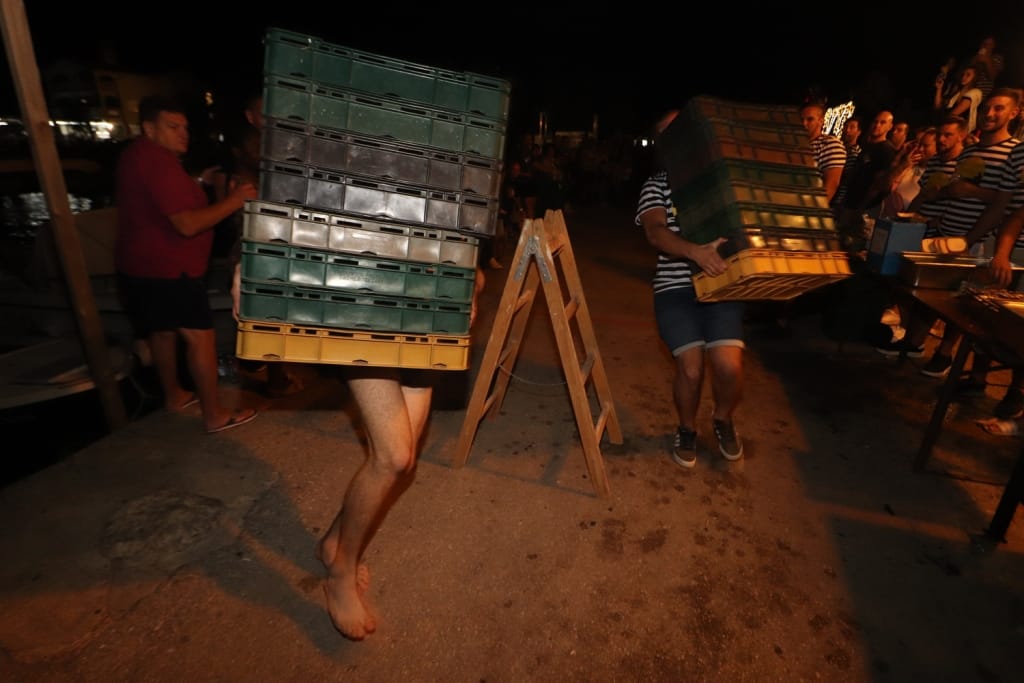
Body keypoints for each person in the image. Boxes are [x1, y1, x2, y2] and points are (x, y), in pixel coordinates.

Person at [308, 265, 485, 640]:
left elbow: (476, 248)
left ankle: (335, 541)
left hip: (428, 303)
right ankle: (340, 575)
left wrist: (472, 283)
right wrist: (244, 262)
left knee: (402, 464)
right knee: (394, 457)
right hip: (363, 293)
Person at [114, 94, 258, 433]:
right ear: (149, 128)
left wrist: (197, 185)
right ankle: (215, 414)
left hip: (138, 267)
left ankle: (174, 395)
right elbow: (187, 224)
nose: (183, 134)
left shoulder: (137, 154)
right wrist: (236, 200)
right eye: (172, 126)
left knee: (162, 332)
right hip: (169, 268)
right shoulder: (159, 163)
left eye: (185, 127)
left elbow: (159, 200)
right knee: (200, 338)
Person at [636, 109, 745, 468]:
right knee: (691, 369)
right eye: (669, 133)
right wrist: (695, 252)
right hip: (675, 289)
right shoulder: (656, 186)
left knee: (729, 367)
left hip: (720, 285)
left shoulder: (720, 180)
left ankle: (723, 419)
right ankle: (686, 428)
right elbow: (655, 232)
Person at [227, 90, 304, 397]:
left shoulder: (282, 144)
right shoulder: (252, 149)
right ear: (251, 117)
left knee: (276, 308)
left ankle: (276, 371)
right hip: (254, 235)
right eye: (263, 112)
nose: (271, 118)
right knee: (265, 309)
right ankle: (270, 374)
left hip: (276, 233)